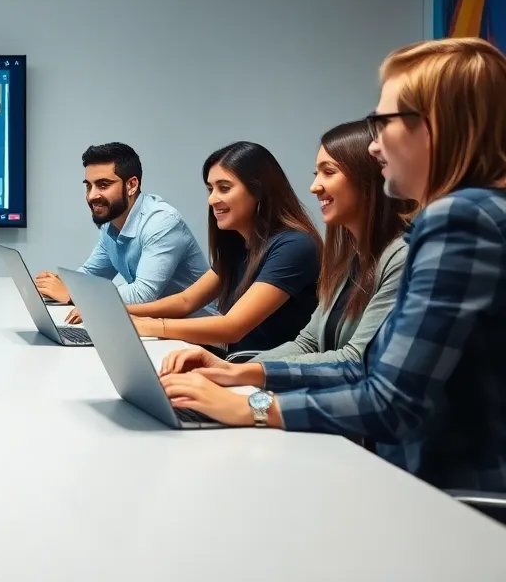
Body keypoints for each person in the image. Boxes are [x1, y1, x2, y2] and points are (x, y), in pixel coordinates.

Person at [159, 38, 506, 492]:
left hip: (443, 495)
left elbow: (390, 402)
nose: (375, 147)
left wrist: (252, 408)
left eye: (382, 123)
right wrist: (238, 372)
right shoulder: (474, 214)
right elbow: (363, 369)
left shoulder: (459, 220)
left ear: (434, 126)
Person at [161, 121, 411, 380]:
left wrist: (244, 376)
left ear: (369, 177)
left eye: (329, 172)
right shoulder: (348, 259)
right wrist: (232, 371)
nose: (314, 187)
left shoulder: (399, 258)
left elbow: (354, 361)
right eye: (317, 174)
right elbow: (308, 343)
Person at [126, 141, 321, 355]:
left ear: (258, 191)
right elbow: (186, 301)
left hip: (271, 369)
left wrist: (148, 326)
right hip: (239, 363)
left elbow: (232, 328)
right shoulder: (239, 245)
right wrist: (123, 313)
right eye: (210, 189)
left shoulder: (294, 246)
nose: (212, 199)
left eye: (224, 188)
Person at [35, 143, 210, 322]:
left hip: (198, 329)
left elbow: (142, 294)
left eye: (103, 185)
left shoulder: (162, 222)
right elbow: (92, 274)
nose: (92, 195)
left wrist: (73, 295)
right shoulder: (111, 223)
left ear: (132, 185)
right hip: (155, 323)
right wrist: (59, 283)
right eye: (88, 186)